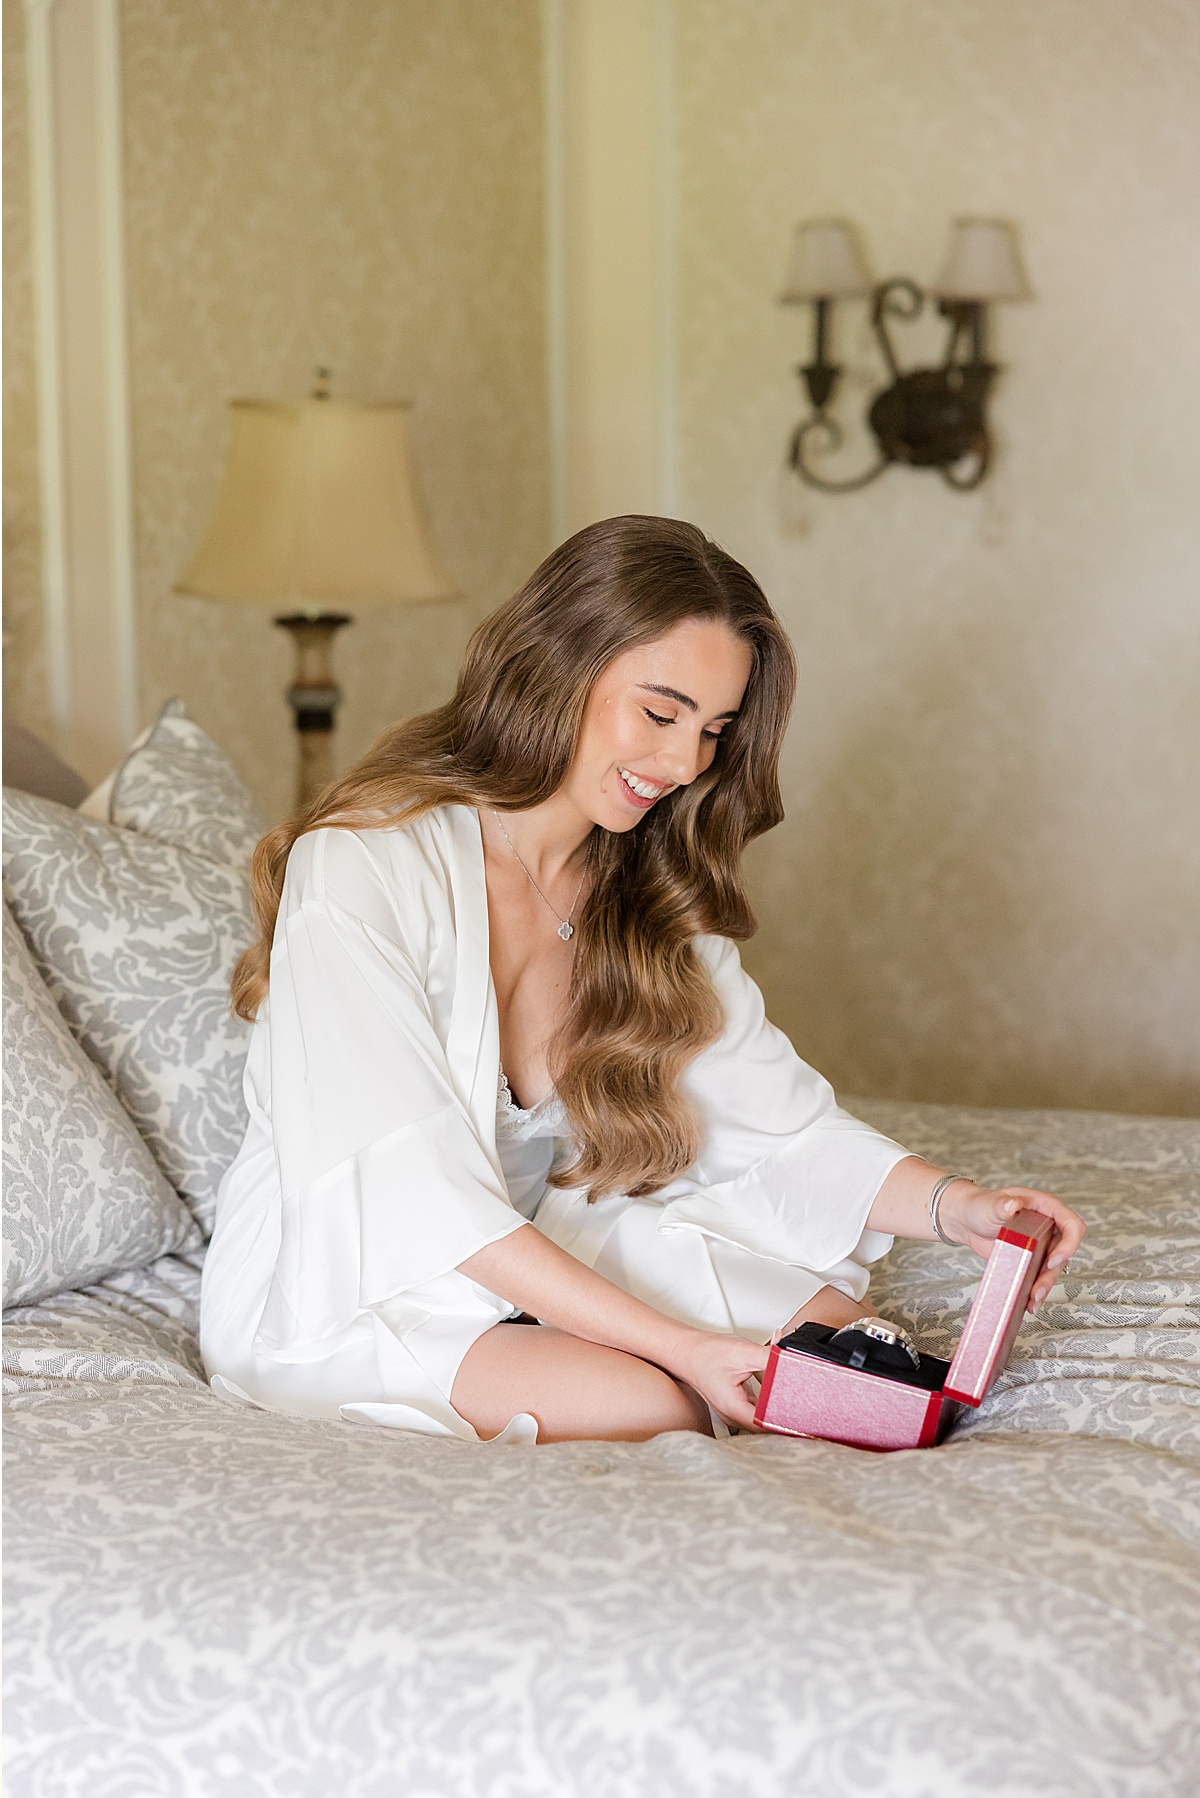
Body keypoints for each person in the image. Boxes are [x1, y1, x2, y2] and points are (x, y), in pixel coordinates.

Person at [198, 514, 1082, 1444]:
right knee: (655, 1402)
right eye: (660, 713)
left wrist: (965, 1210)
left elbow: (777, 1129)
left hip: (540, 1240)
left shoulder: (637, 888)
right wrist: (680, 1347)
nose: (683, 764)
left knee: (838, 1335)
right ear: (554, 667)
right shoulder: (362, 869)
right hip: (358, 1278)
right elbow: (415, 1200)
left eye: (713, 730)